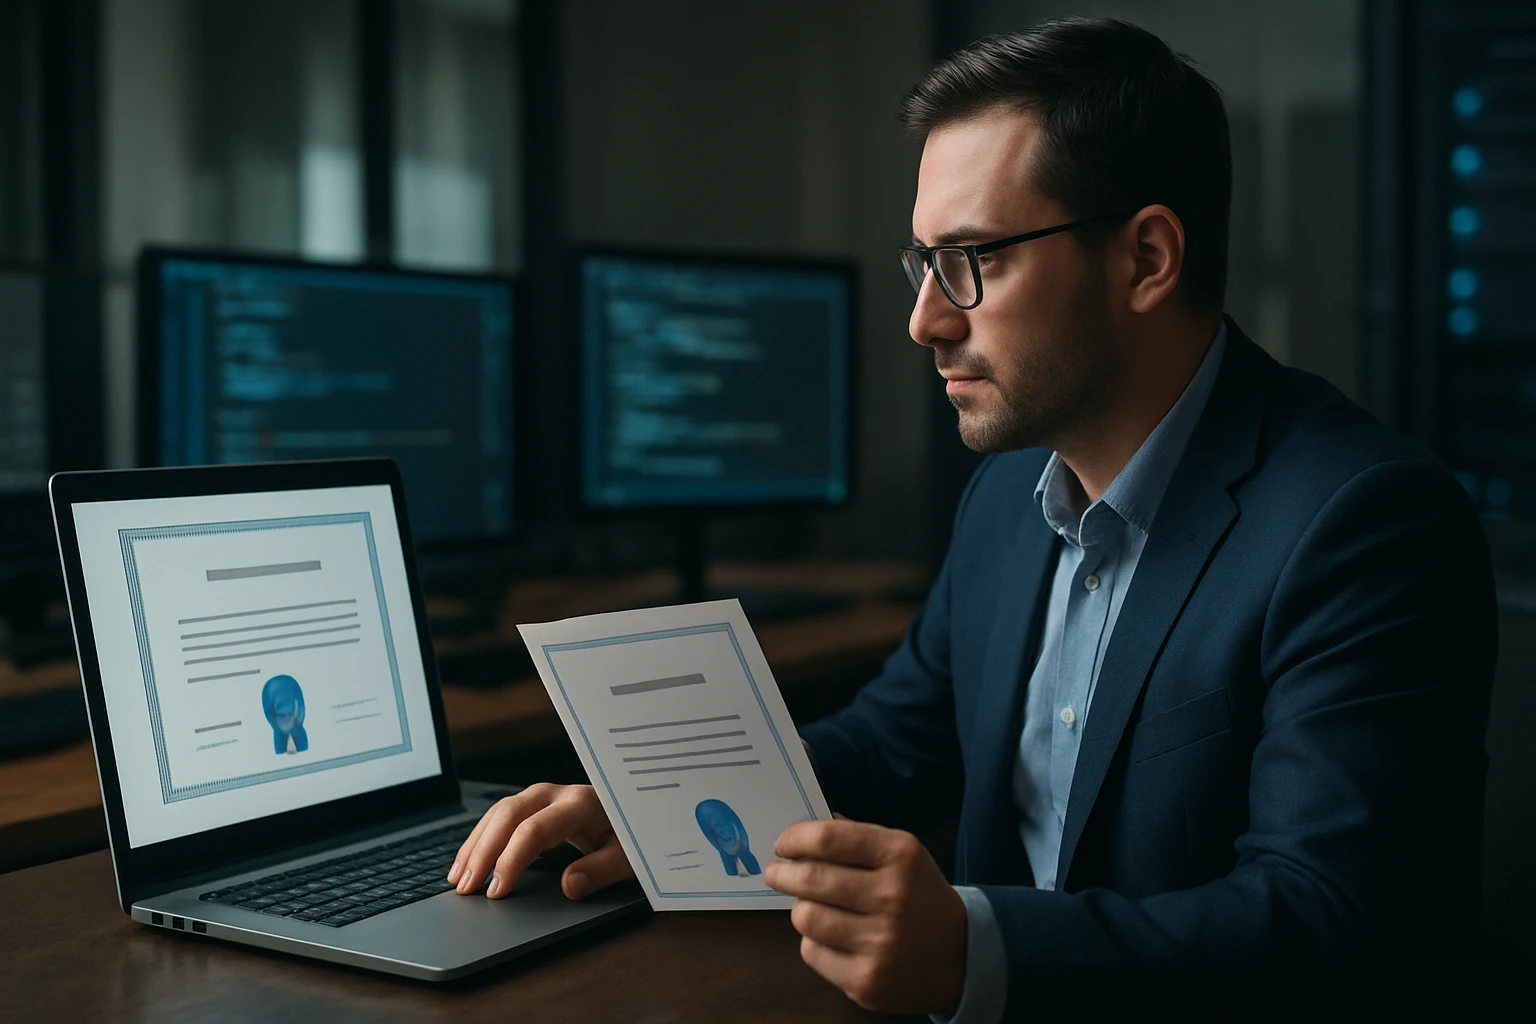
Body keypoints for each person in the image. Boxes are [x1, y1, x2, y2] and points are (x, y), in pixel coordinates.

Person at [447, 18, 1497, 1020]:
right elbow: (895, 740)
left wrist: (972, 951)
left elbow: (1324, 924)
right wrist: (656, 801)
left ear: (1146, 259)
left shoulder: (1364, 523)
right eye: (923, 262)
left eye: (972, 261)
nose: (925, 319)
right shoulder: (1008, 493)